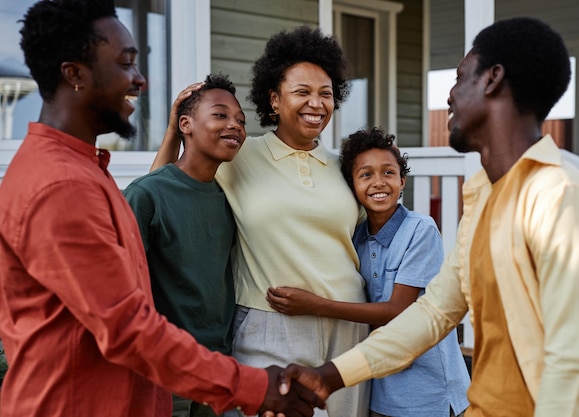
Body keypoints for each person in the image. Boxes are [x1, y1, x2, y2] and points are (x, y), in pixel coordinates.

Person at [278, 17, 579, 416]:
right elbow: (432, 314)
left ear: (492, 79)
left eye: (460, 78)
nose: (449, 96)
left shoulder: (562, 199)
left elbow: (573, 366)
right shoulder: (483, 197)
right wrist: (329, 375)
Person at [0, 1, 323, 416]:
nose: (139, 80)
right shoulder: (61, 185)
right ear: (74, 74)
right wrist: (254, 385)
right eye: (126, 64)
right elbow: (126, 327)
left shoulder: (82, 170)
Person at [152, 25, 370, 417]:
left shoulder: (345, 167)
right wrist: (173, 131)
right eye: (302, 92)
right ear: (274, 98)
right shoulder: (239, 154)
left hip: (347, 323)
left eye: (326, 94)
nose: (316, 103)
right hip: (270, 323)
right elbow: (165, 191)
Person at [266, 126, 470, 417]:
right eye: (366, 175)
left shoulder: (420, 229)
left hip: (430, 390)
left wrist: (315, 305)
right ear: (352, 185)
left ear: (402, 181)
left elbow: (398, 309)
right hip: (382, 390)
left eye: (388, 173)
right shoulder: (355, 237)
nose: (379, 182)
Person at [124, 73, 247, 417]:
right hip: (163, 371)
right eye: (220, 115)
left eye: (241, 120)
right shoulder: (146, 194)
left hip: (218, 367)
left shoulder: (230, 199)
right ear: (185, 124)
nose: (235, 126)